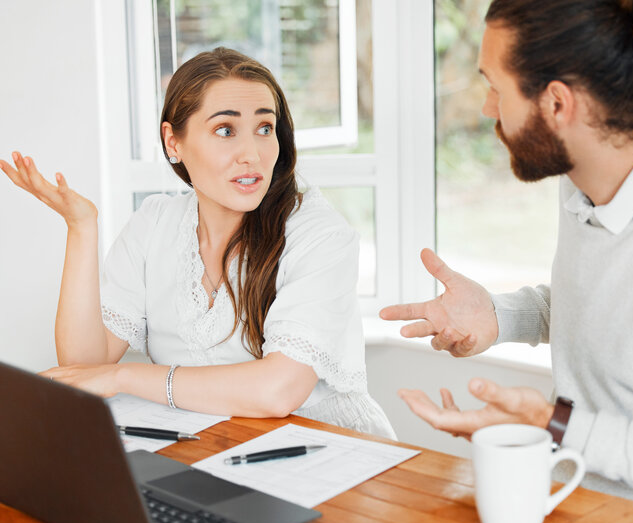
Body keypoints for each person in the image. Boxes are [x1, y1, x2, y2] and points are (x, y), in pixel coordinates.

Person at [380, 1, 633, 523]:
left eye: (496, 87)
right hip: (570, 506)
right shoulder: (585, 182)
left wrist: (553, 424)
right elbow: (629, 312)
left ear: (557, 103)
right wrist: (502, 316)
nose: (487, 108)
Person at [1, 47, 395, 439]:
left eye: (264, 128)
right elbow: (84, 369)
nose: (252, 154)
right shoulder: (154, 224)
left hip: (332, 452)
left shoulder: (319, 235)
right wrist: (81, 228)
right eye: (225, 130)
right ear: (173, 142)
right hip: (213, 448)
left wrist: (125, 376)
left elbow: (279, 391)